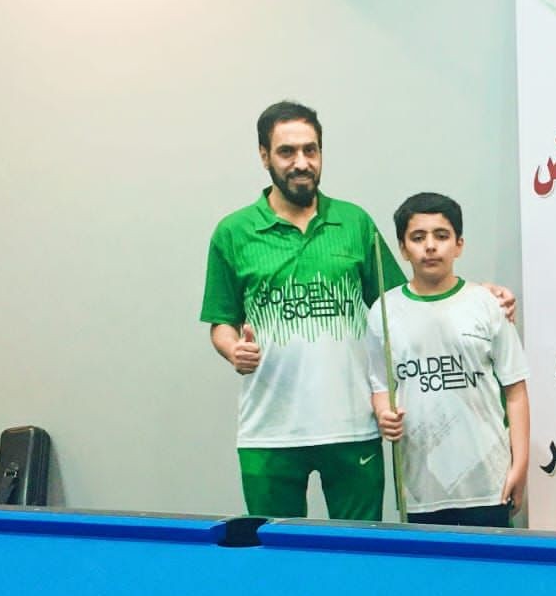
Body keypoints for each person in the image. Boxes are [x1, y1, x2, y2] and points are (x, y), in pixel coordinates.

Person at [201, 101, 515, 521]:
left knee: (357, 548)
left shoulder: (355, 224)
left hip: (354, 428)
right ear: (264, 155)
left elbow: (404, 299)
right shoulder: (233, 232)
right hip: (269, 432)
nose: (301, 163)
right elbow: (221, 322)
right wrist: (232, 349)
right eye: (287, 152)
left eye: (311, 150)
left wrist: (478, 294)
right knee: (273, 549)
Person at [368, 192, 530, 528]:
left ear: (459, 245)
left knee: (491, 563)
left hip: (489, 485)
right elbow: (381, 385)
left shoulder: (487, 305)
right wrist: (384, 415)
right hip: (420, 488)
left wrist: (521, 465)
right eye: (418, 237)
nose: (430, 246)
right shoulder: (384, 311)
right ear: (403, 249)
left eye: (441, 236)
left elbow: (516, 391)